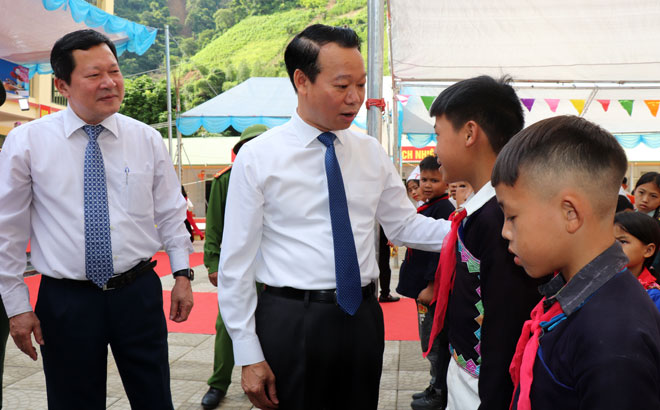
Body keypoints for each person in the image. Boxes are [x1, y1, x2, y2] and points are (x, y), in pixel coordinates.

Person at [217, 24, 451, 410]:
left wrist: (467, 231)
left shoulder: (369, 151)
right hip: (291, 319)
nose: (355, 98)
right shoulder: (259, 157)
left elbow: (404, 225)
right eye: (342, 86)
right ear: (302, 80)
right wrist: (248, 353)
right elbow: (235, 262)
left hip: (362, 317)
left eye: (360, 85)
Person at [0, 29, 194, 410]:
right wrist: (17, 305)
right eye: (93, 75)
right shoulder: (27, 142)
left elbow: (171, 211)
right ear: (62, 84)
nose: (109, 83)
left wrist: (183, 275)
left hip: (137, 293)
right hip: (66, 300)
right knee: (73, 401)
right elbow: (7, 229)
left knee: (154, 397)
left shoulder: (145, 138)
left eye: (115, 71)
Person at [493, 115, 660, 410]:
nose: (505, 231)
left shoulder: (614, 338)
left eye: (512, 217)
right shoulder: (578, 299)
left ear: (570, 213)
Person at [429, 75, 546, 410]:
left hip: (484, 388)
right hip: (465, 373)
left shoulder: (500, 218)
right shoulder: (483, 212)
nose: (434, 149)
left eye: (438, 134)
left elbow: (507, 326)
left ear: (469, 133)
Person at [201, 123, 268, 409]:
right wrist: (213, 263)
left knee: (274, 322)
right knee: (228, 323)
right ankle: (218, 383)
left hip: (276, 266)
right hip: (238, 265)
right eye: (245, 148)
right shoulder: (224, 181)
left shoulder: (280, 176)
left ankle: (269, 377)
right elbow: (214, 225)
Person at [396, 155, 455, 410]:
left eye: (434, 179)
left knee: (435, 343)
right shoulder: (430, 204)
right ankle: (434, 385)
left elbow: (438, 253)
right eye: (424, 179)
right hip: (424, 292)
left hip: (433, 293)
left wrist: (431, 286)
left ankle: (439, 391)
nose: (427, 185)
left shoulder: (443, 208)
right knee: (429, 341)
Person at [614, 211, 660, 311]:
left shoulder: (653, 297)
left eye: (623, 241)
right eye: (611, 241)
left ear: (648, 250)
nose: (613, 247)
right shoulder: (596, 281)